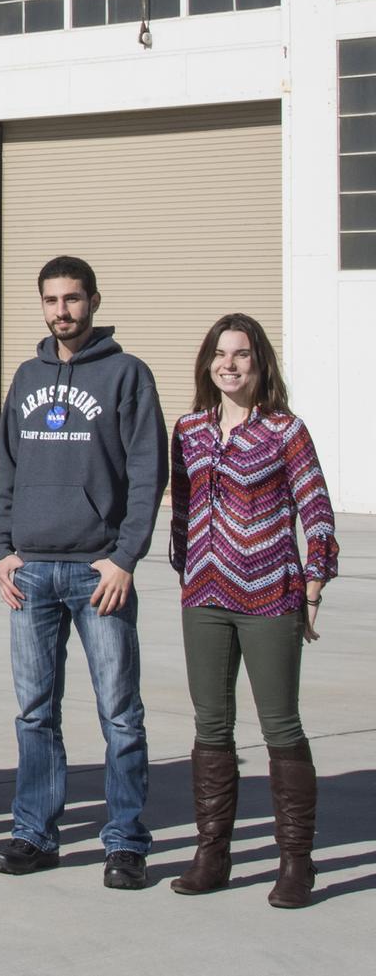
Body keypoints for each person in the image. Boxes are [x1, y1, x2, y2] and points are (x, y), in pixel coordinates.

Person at [0, 254, 166, 890]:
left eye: (72, 299)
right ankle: (35, 833)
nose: (61, 311)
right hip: (30, 572)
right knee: (35, 712)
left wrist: (125, 557)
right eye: (51, 300)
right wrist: (1, 546)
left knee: (120, 713)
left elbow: (148, 475)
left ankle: (124, 840)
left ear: (93, 300)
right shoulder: (27, 375)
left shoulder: (127, 375)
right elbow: (4, 467)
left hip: (99, 576)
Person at [167, 313, 338, 909]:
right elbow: (183, 512)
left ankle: (297, 863)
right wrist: (186, 575)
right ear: (207, 362)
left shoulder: (286, 430)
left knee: (280, 726)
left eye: (242, 355)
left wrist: (312, 587)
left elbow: (316, 509)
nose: (230, 365)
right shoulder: (188, 428)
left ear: (260, 364)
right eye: (220, 353)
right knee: (211, 728)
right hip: (205, 598)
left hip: (271, 593)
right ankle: (213, 854)